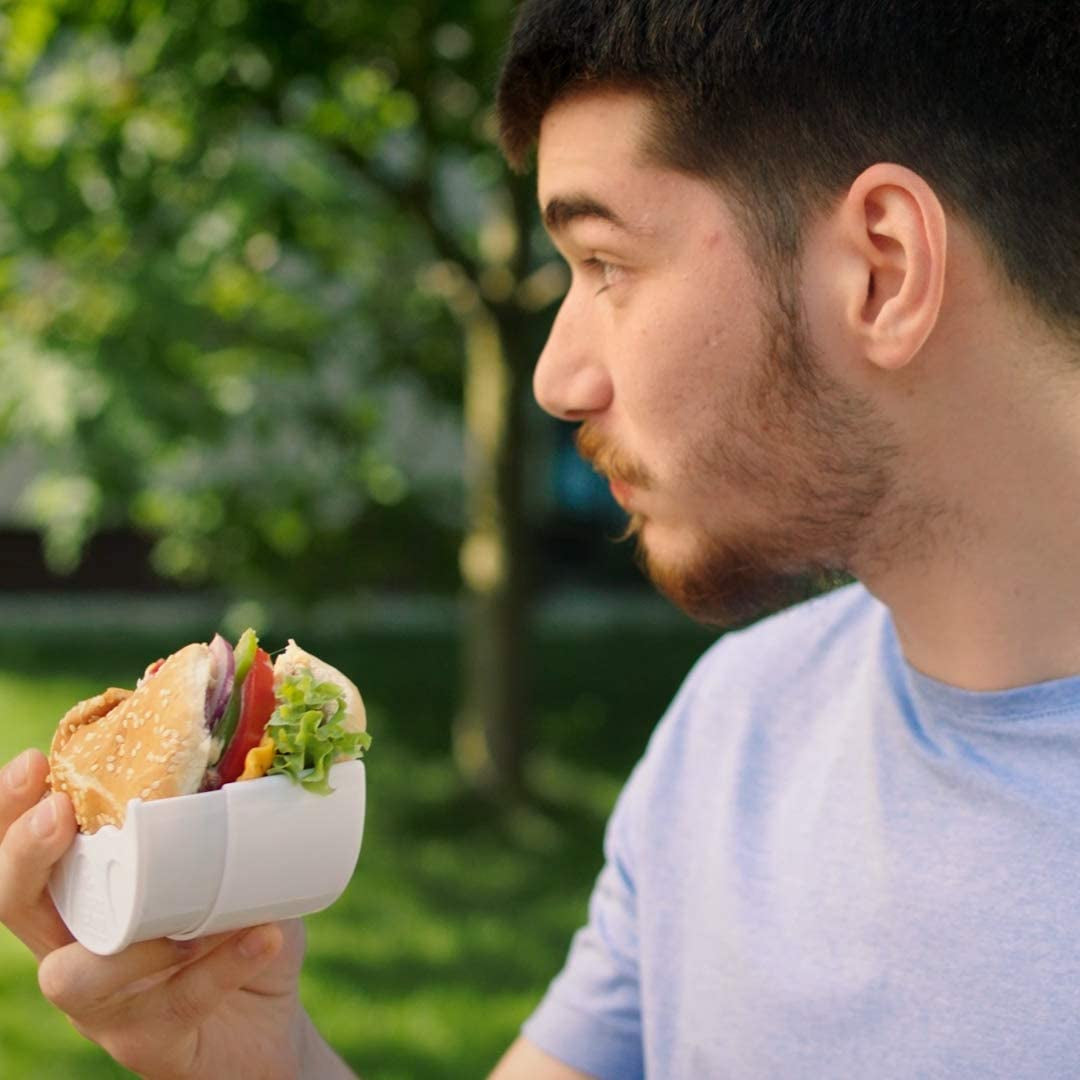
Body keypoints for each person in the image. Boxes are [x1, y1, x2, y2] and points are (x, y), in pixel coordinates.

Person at [4, 0, 1080, 1075]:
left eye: (607, 263)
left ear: (881, 269)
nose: (558, 379)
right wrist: (243, 1053)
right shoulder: (740, 726)